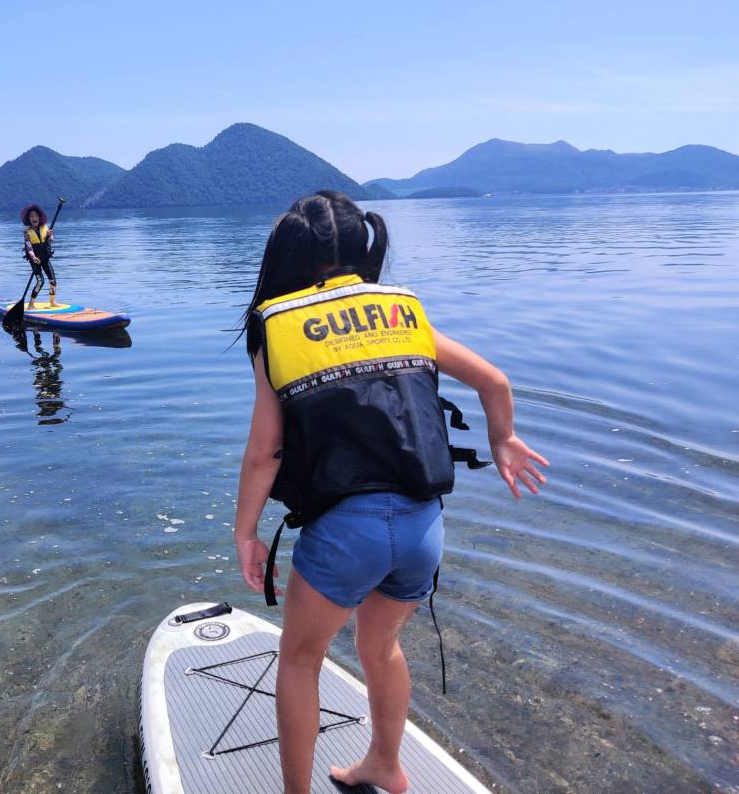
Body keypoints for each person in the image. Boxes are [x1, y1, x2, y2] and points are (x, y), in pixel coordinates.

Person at [233, 191, 548, 794]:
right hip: (423, 526)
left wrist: (246, 533)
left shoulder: (278, 328)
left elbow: (266, 451)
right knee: (381, 646)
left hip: (347, 534)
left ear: (287, 256)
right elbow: (495, 381)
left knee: (300, 661)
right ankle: (386, 763)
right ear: (362, 248)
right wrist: (503, 438)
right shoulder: (401, 314)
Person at [21, 203, 56, 309]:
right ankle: (31, 304)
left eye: (35, 216)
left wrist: (50, 235)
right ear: (29, 219)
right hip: (35, 259)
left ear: (39, 217)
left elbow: (51, 239)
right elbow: (28, 247)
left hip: (45, 257)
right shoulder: (27, 232)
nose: (34, 218)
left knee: (53, 281)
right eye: (31, 216)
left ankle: (52, 302)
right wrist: (33, 257)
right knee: (41, 281)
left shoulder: (44, 227)